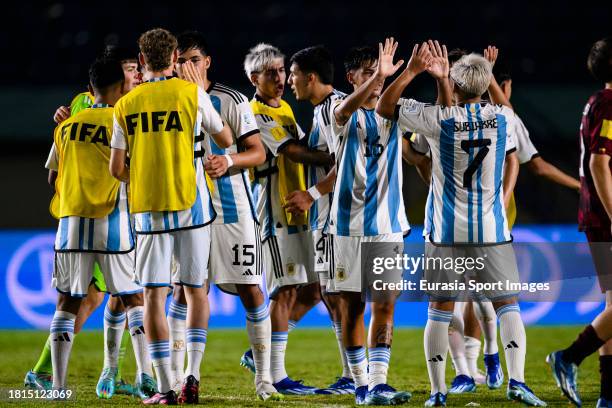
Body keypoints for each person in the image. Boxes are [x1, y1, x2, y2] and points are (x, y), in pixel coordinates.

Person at [377, 44, 546, 406]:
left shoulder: (440, 120)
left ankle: (438, 392)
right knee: (507, 306)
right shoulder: (503, 119)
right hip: (491, 231)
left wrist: (413, 72)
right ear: (487, 85)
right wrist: (485, 75)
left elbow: (384, 107)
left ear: (455, 82)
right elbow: (506, 108)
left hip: (446, 232)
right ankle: (517, 381)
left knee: (439, 312)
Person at [109, 28, 232, 405]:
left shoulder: (126, 105)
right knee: (196, 292)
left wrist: (145, 174)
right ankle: (192, 374)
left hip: (149, 212)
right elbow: (226, 140)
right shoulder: (191, 93)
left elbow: (117, 168)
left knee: (152, 296)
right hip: (193, 206)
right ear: (175, 57)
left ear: (142, 61)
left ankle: (165, 386)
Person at [25, 45, 147, 398]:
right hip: (112, 221)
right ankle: (143, 379)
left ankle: (58, 387)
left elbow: (53, 179)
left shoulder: (65, 126)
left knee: (68, 301)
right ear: (117, 87)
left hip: (71, 225)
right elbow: (129, 171)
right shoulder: (120, 122)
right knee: (131, 298)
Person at [169, 30, 280, 401]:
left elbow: (258, 152)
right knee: (184, 292)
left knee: (250, 289)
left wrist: (229, 160)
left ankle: (265, 379)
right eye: (181, 60)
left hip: (233, 213)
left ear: (208, 62)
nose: (187, 67)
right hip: (187, 211)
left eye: (194, 59)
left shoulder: (230, 99)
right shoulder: (167, 98)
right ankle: (186, 377)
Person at [243, 42, 332, 395]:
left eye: (282, 71)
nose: (280, 79)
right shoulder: (256, 113)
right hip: (274, 210)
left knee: (314, 289)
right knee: (286, 288)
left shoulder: (285, 111)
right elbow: (293, 152)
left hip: (299, 210)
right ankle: (276, 374)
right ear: (254, 78)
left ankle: (260, 350)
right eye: (271, 73)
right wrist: (333, 157)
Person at [284, 44, 355, 394]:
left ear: (311, 77)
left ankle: (353, 374)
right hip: (328, 216)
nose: (289, 81)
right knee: (328, 291)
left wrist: (311, 195)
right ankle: (353, 372)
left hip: (335, 216)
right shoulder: (323, 109)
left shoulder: (334, 109)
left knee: (337, 293)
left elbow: (344, 165)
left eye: (294, 75)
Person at [547, 37, 612, 408]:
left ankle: (607, 395)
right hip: (606, 216)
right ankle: (568, 357)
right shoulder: (609, 104)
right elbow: (598, 163)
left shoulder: (595, 102)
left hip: (595, 214)